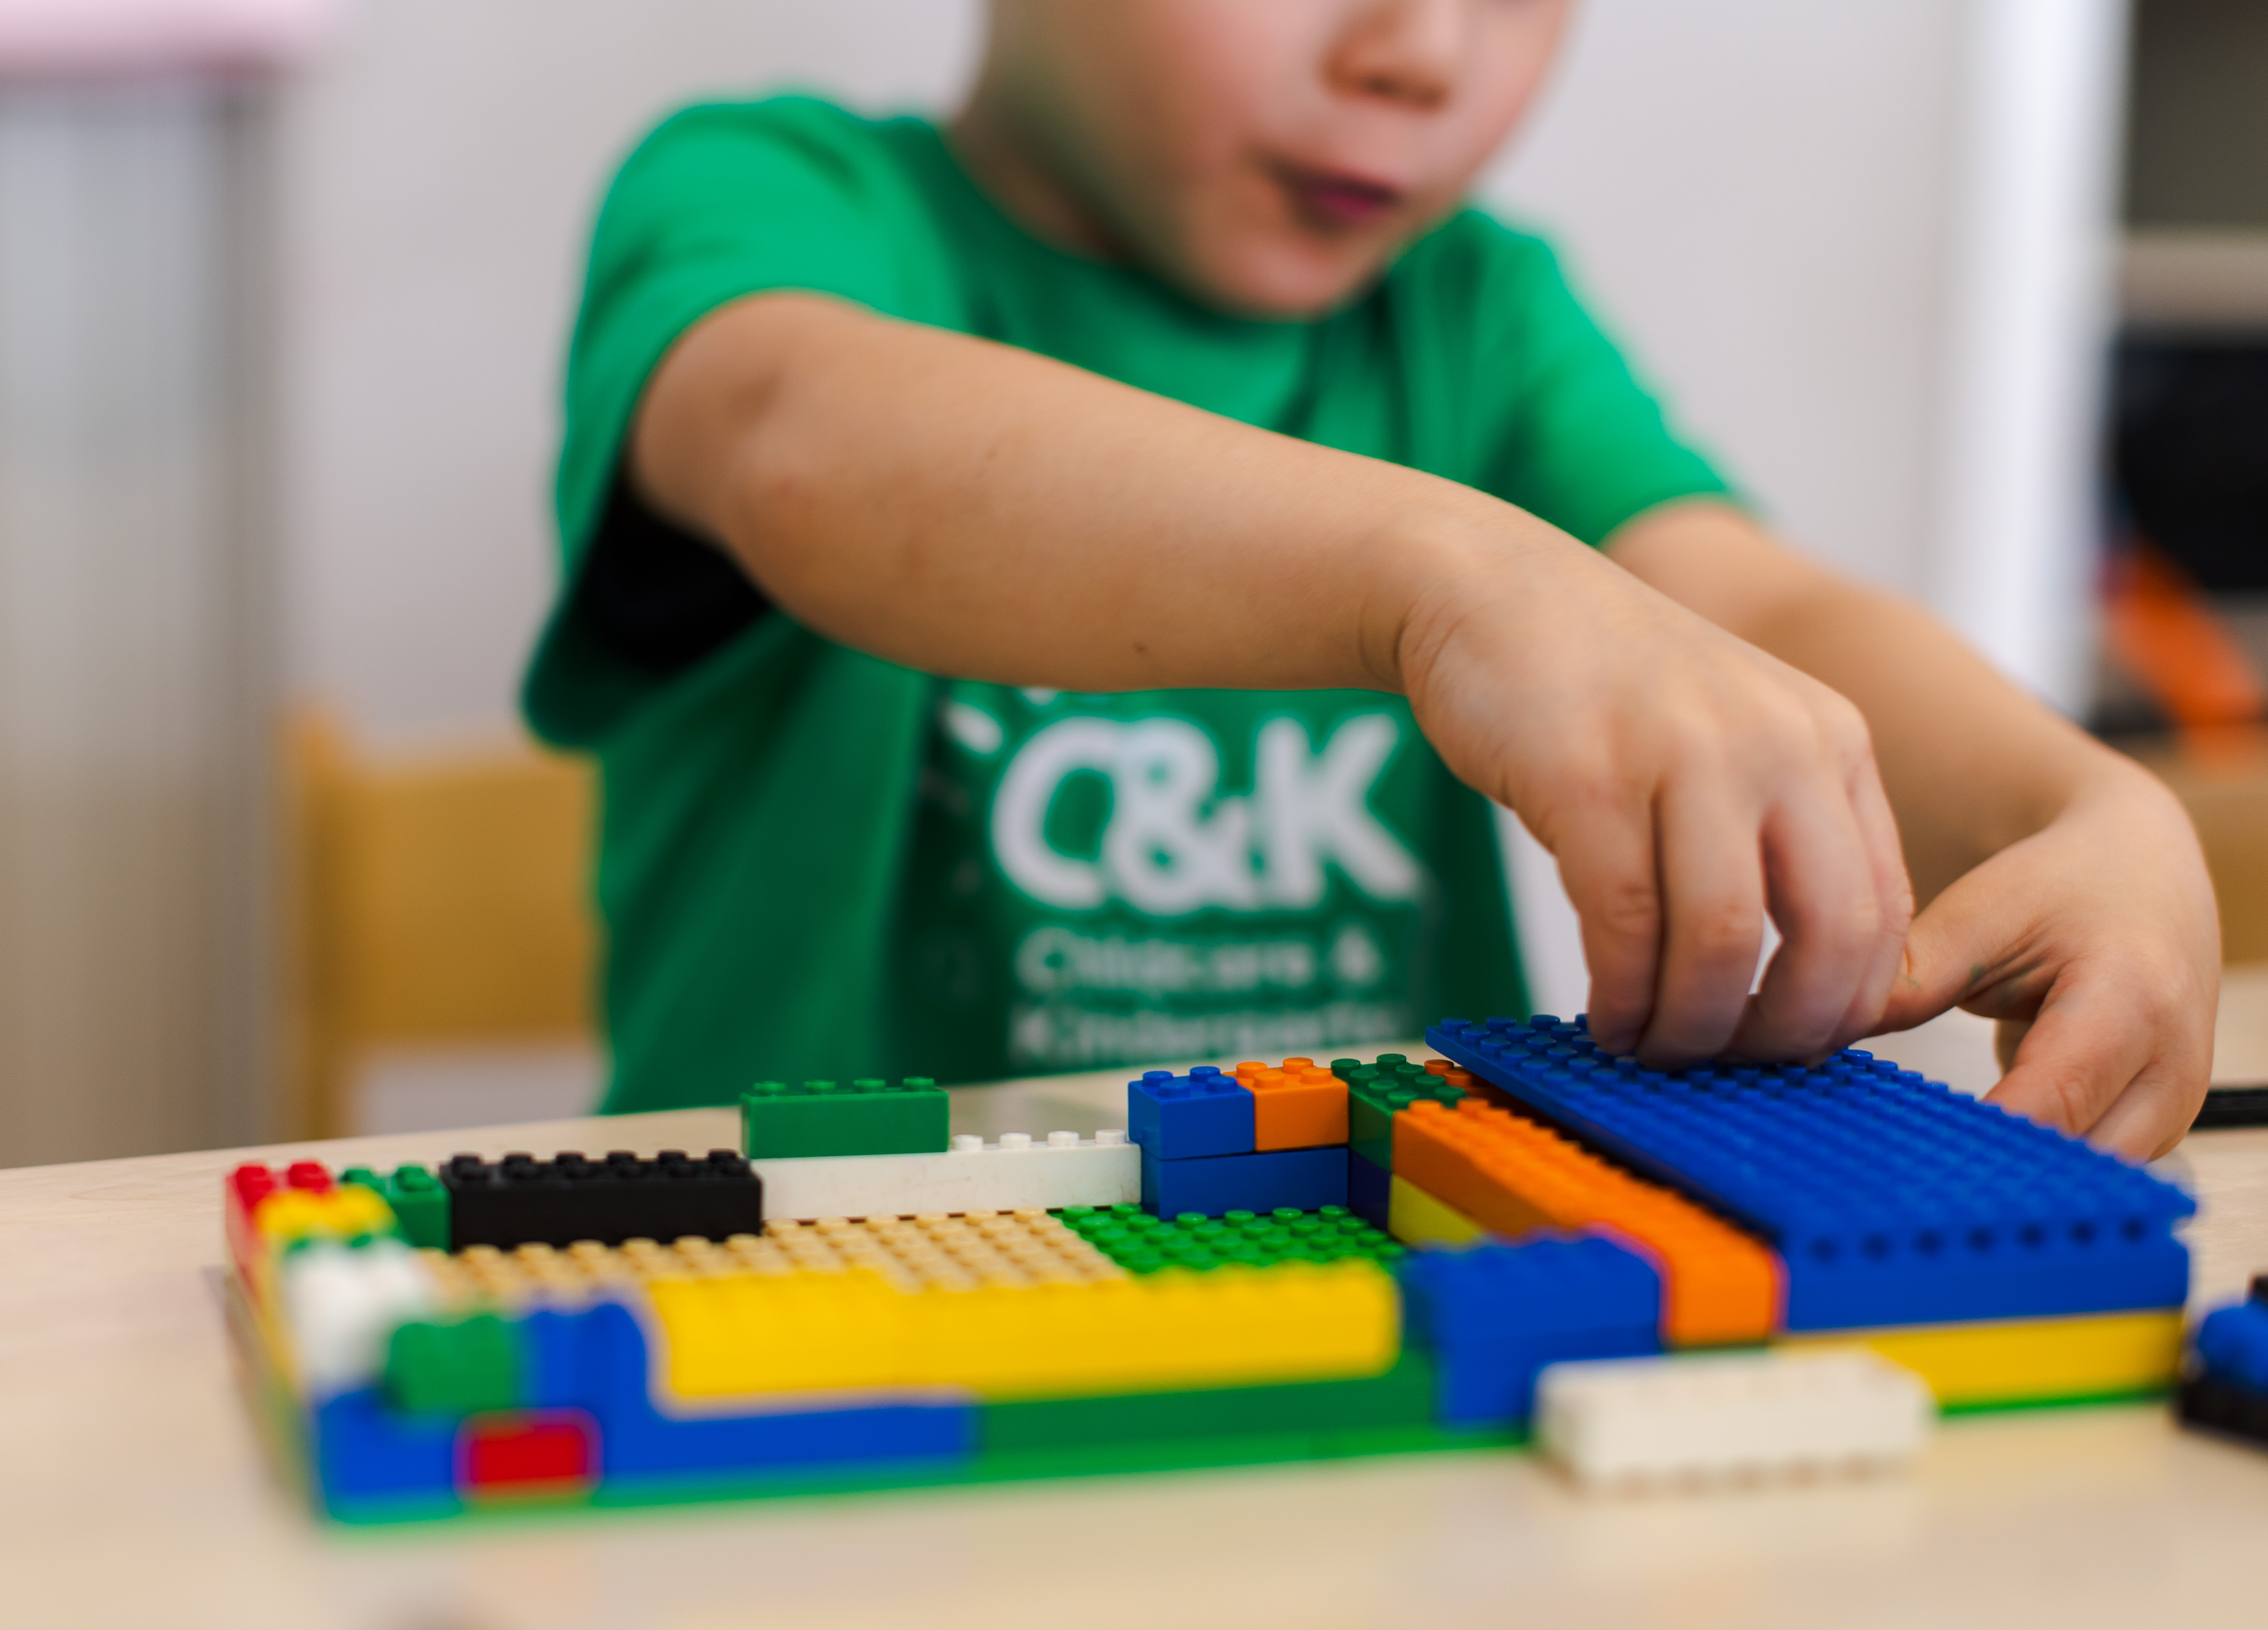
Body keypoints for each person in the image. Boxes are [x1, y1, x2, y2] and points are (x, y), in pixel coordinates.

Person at [525, 0, 2216, 1155]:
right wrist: (1445, 570)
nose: (1418, 53)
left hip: (1363, 1317)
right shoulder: (773, 196)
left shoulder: (1469, 314)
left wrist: (2074, 803)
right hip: (786, 1314)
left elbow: (1748, 608)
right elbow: (804, 442)